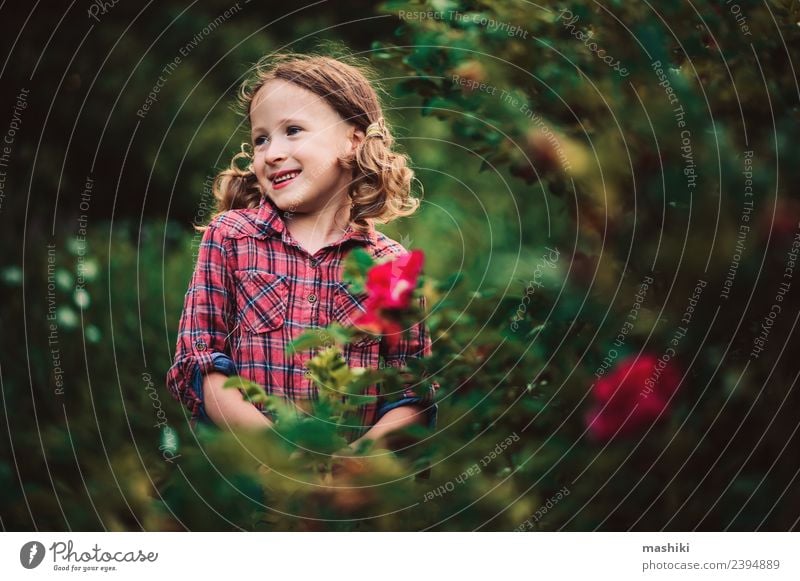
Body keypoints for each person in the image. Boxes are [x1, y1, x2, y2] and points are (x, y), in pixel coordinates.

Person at [165, 52, 437, 453]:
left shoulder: (392, 267)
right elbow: (200, 363)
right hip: (249, 481)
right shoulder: (231, 239)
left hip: (348, 497)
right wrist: (281, 456)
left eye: (292, 130)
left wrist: (352, 466)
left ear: (354, 141)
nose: (271, 152)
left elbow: (412, 394)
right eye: (261, 138)